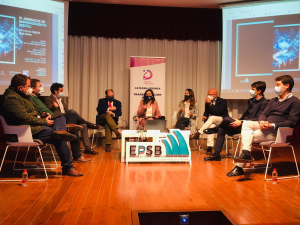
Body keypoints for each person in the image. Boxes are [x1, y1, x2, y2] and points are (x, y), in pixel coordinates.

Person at [0, 74, 82, 176]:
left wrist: (42, 115)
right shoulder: (11, 98)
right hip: (24, 132)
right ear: (20, 87)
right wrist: (44, 121)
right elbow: (23, 118)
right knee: (59, 137)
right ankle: (68, 167)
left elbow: (30, 113)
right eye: (28, 86)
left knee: (60, 117)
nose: (30, 88)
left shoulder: (22, 96)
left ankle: (59, 131)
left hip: (33, 126)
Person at [227, 75, 300, 177]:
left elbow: (292, 122)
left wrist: (272, 125)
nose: (276, 88)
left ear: (287, 86)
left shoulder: (295, 102)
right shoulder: (274, 100)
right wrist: (262, 121)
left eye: (278, 85)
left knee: (245, 137)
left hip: (278, 132)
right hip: (265, 127)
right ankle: (245, 155)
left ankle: (239, 167)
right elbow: (264, 113)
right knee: (247, 123)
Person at [204, 81, 268, 161]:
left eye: (252, 89)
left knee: (226, 118)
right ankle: (216, 154)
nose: (250, 91)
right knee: (221, 129)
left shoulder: (265, 103)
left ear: (259, 91)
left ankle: (215, 129)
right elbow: (245, 115)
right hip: (242, 123)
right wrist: (238, 120)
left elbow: (258, 118)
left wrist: (241, 122)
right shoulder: (251, 100)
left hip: (249, 127)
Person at [31, 79, 90, 163]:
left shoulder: (39, 99)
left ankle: (78, 155)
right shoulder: (47, 99)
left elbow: (64, 110)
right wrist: (52, 108)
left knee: (74, 126)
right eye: (40, 86)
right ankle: (77, 156)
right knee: (72, 113)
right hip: (55, 117)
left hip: (59, 117)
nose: (41, 88)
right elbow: (43, 111)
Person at [44, 83, 98, 155]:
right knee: (72, 112)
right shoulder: (48, 99)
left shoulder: (61, 100)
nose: (62, 93)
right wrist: (54, 107)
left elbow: (67, 111)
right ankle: (89, 124)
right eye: (61, 91)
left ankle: (87, 148)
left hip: (65, 118)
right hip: (59, 119)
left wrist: (69, 115)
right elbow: (50, 112)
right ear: (55, 91)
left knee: (84, 125)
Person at [199, 88, 229, 154]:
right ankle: (209, 147)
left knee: (212, 117)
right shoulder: (208, 102)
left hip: (222, 120)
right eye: (208, 94)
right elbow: (206, 111)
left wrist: (210, 103)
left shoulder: (223, 101)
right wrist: (205, 116)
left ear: (215, 95)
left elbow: (218, 112)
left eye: (210, 94)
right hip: (214, 121)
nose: (209, 96)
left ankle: (199, 132)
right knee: (210, 127)